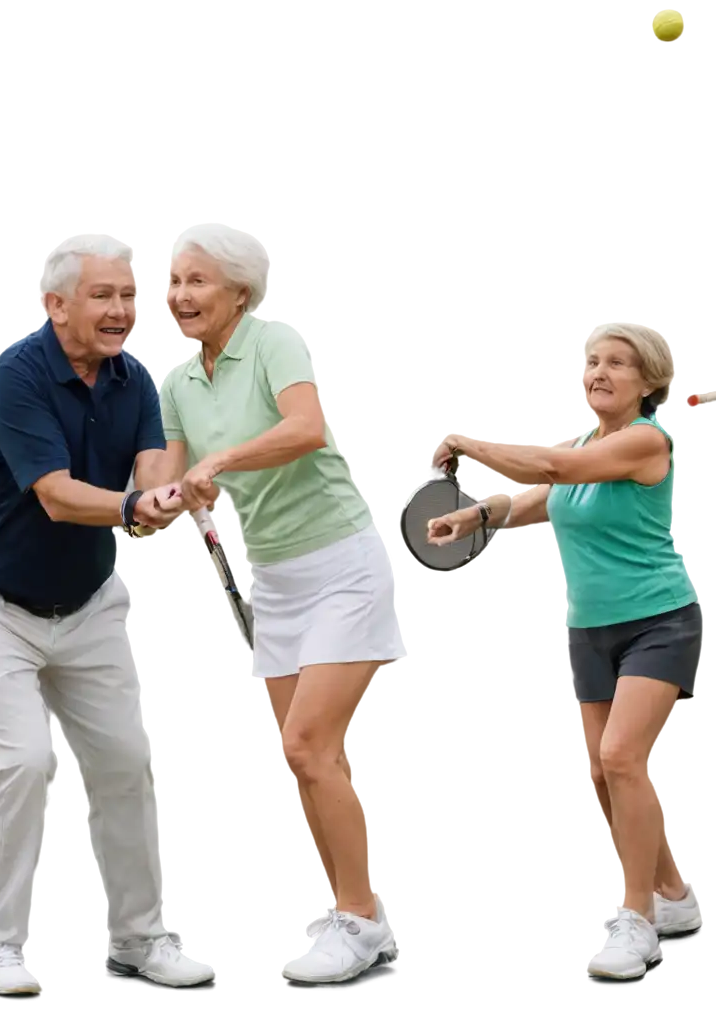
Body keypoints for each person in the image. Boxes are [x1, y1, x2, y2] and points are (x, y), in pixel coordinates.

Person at [0, 232, 220, 1001]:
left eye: (129, 295)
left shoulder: (137, 383)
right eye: (104, 295)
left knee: (128, 763)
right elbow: (58, 497)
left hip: (88, 608)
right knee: (22, 759)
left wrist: (174, 494)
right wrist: (134, 507)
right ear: (56, 305)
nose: (123, 310)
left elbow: (152, 477)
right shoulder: (17, 375)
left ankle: (140, 940)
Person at [155, 220, 405, 986]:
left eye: (198, 281)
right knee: (307, 760)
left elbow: (305, 428)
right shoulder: (176, 382)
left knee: (307, 746)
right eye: (174, 283)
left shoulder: (273, 341)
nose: (181, 295)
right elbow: (170, 480)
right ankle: (352, 911)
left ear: (238, 289)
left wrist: (223, 459)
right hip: (273, 576)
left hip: (342, 564)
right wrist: (157, 499)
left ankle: (359, 924)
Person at [426, 322, 705, 982]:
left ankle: (633, 921)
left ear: (648, 381)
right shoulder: (590, 439)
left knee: (620, 757)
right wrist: (476, 515)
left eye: (618, 362)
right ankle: (676, 898)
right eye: (591, 361)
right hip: (590, 628)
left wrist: (471, 441)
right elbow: (542, 497)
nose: (600, 372)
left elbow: (558, 469)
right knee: (601, 777)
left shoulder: (645, 441)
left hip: (657, 620)